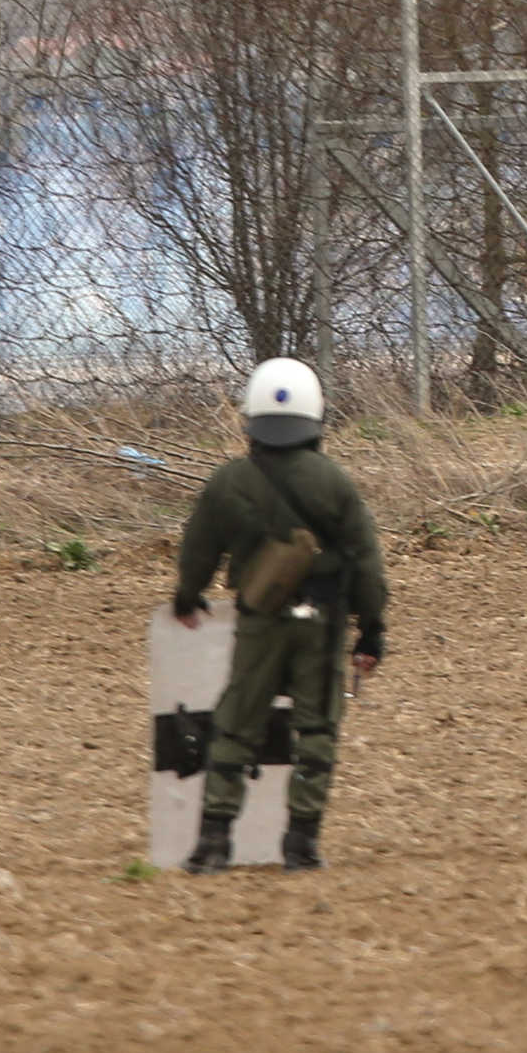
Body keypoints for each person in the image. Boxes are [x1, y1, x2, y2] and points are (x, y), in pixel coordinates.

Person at [174, 357, 389, 874]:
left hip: (260, 619)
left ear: (252, 419)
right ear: (316, 418)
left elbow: (198, 548)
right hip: (323, 622)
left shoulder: (229, 481)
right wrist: (372, 630)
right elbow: (366, 561)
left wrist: (188, 595)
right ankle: (301, 844)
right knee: (316, 730)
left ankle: (214, 842)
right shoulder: (335, 482)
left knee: (236, 723)